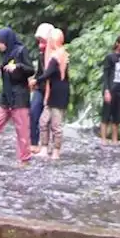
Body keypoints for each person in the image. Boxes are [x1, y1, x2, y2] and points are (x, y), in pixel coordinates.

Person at [0, 27, 35, 167]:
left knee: (22, 130)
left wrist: (18, 67)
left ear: (7, 41)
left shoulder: (21, 50)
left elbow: (31, 70)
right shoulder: (5, 54)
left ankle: (25, 160)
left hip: (20, 96)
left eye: (1, 42)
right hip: (5, 95)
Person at [37, 28, 69, 160]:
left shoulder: (58, 56)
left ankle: (56, 150)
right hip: (51, 93)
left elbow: (47, 74)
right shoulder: (59, 55)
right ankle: (44, 148)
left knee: (56, 124)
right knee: (43, 121)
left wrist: (35, 81)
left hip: (58, 95)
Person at [29, 22, 54, 154]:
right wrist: (33, 81)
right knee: (33, 112)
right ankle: (33, 142)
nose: (40, 45)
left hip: (53, 90)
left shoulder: (57, 56)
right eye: (39, 41)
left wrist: (37, 80)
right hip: (40, 88)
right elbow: (40, 72)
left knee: (49, 119)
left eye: (43, 41)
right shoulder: (40, 55)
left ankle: (48, 144)